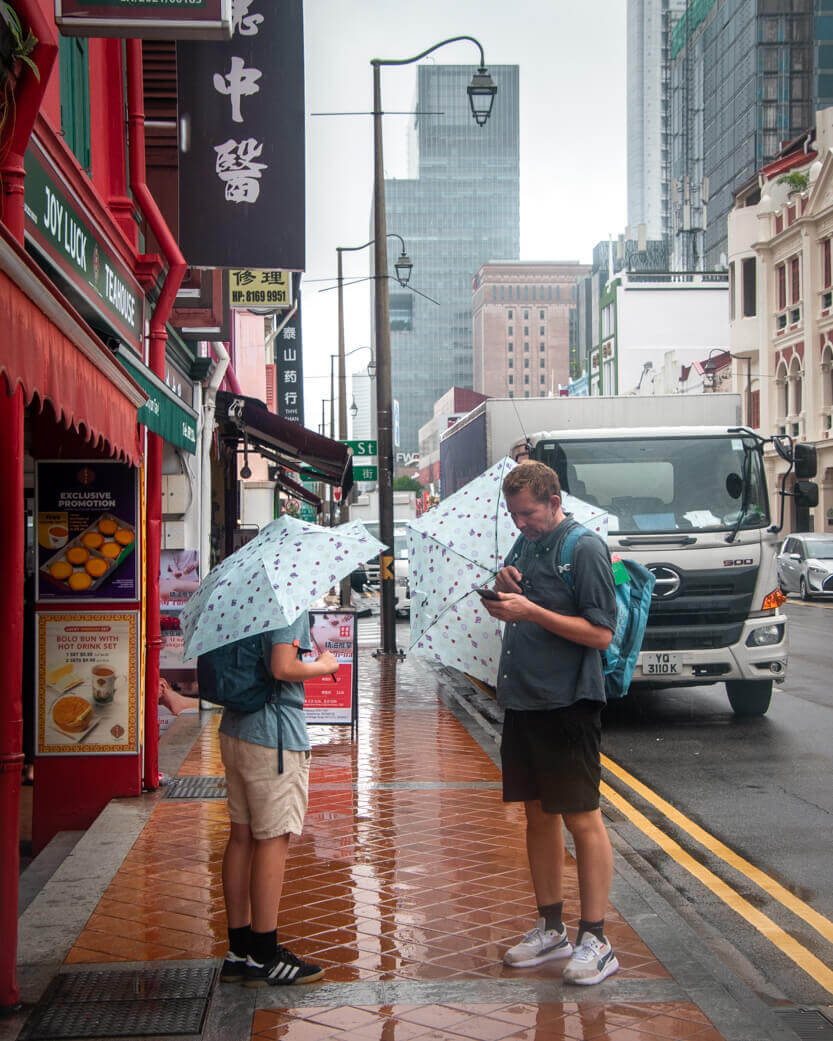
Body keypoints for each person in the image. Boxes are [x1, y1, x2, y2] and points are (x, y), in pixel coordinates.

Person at [481, 461, 620, 986]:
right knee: (537, 815)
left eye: (529, 513)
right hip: (524, 700)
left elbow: (601, 633)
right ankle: (551, 926)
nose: (521, 524)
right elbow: (520, 597)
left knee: (581, 816)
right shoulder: (526, 544)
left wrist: (531, 612)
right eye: (514, 515)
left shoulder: (582, 548)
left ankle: (597, 938)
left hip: (567, 704)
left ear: (553, 499)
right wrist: (503, 586)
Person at [218, 613, 338, 988]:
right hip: (273, 737)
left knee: (242, 838)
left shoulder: (244, 599)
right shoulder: (285, 602)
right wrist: (323, 665)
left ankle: (239, 951)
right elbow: (282, 667)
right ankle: (264, 956)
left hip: (235, 729)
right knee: (274, 838)